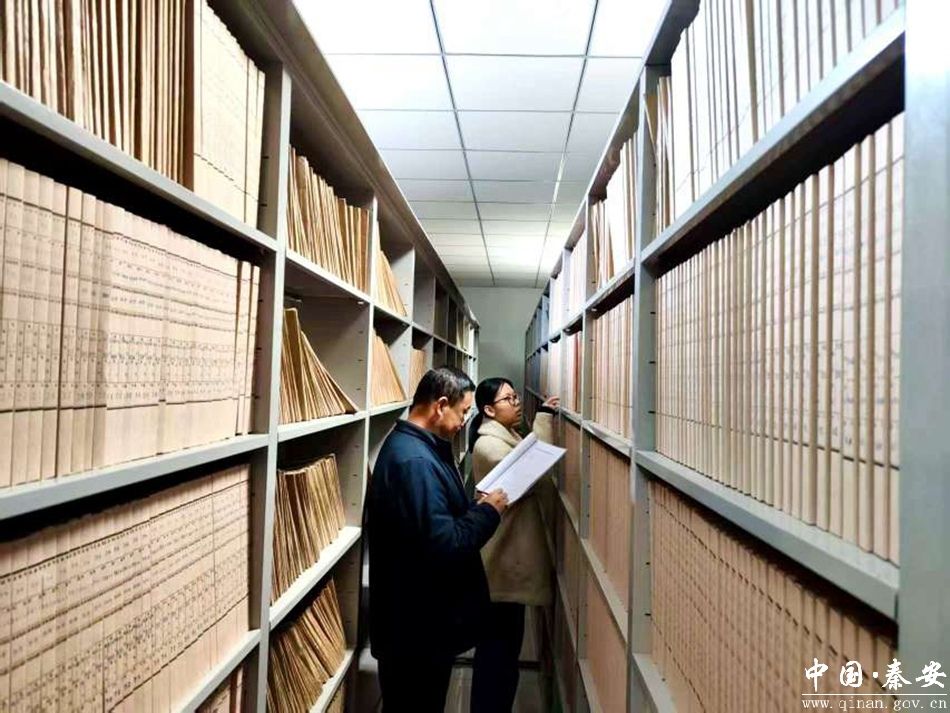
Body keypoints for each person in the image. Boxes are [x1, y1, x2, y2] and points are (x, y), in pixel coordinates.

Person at [368, 366, 509, 713]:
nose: (464, 421)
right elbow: (446, 544)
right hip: (416, 633)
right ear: (441, 405)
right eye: (463, 412)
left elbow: (432, 524)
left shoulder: (417, 447)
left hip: (416, 627)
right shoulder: (415, 461)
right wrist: (487, 512)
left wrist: (471, 508)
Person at [468, 377, 559, 712]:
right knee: (497, 657)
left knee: (503, 656)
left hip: (508, 567)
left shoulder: (505, 436)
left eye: (516, 397)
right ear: (489, 410)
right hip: (501, 569)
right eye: (509, 399)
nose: (517, 403)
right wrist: (544, 419)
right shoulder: (489, 447)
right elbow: (533, 469)